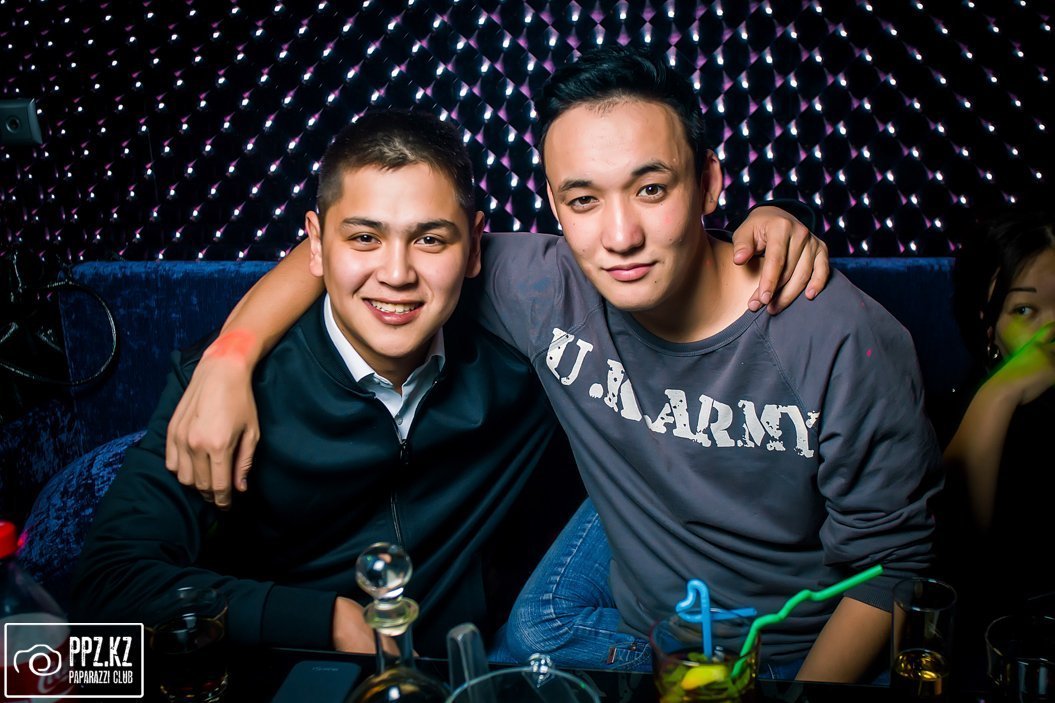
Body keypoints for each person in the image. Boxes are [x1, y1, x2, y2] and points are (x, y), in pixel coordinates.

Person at [164, 46, 932, 683]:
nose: (620, 234)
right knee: (518, 653)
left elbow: (891, 567)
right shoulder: (544, 285)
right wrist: (229, 355)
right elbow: (363, 240)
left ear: (709, 182)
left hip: (791, 647)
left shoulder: (839, 337)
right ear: (555, 206)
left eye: (651, 188)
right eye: (584, 199)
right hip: (639, 604)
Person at [72, 107, 821, 657]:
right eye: (364, 238)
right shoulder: (224, 389)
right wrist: (331, 622)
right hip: (292, 671)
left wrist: (773, 221)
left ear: (473, 249)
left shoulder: (531, 351)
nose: (396, 273)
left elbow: (658, 270)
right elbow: (108, 582)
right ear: (316, 247)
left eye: (429, 239)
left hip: (476, 664)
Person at [942, 210, 1055, 681]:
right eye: (1025, 310)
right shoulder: (962, 407)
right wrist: (1001, 393)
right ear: (988, 326)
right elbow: (952, 563)